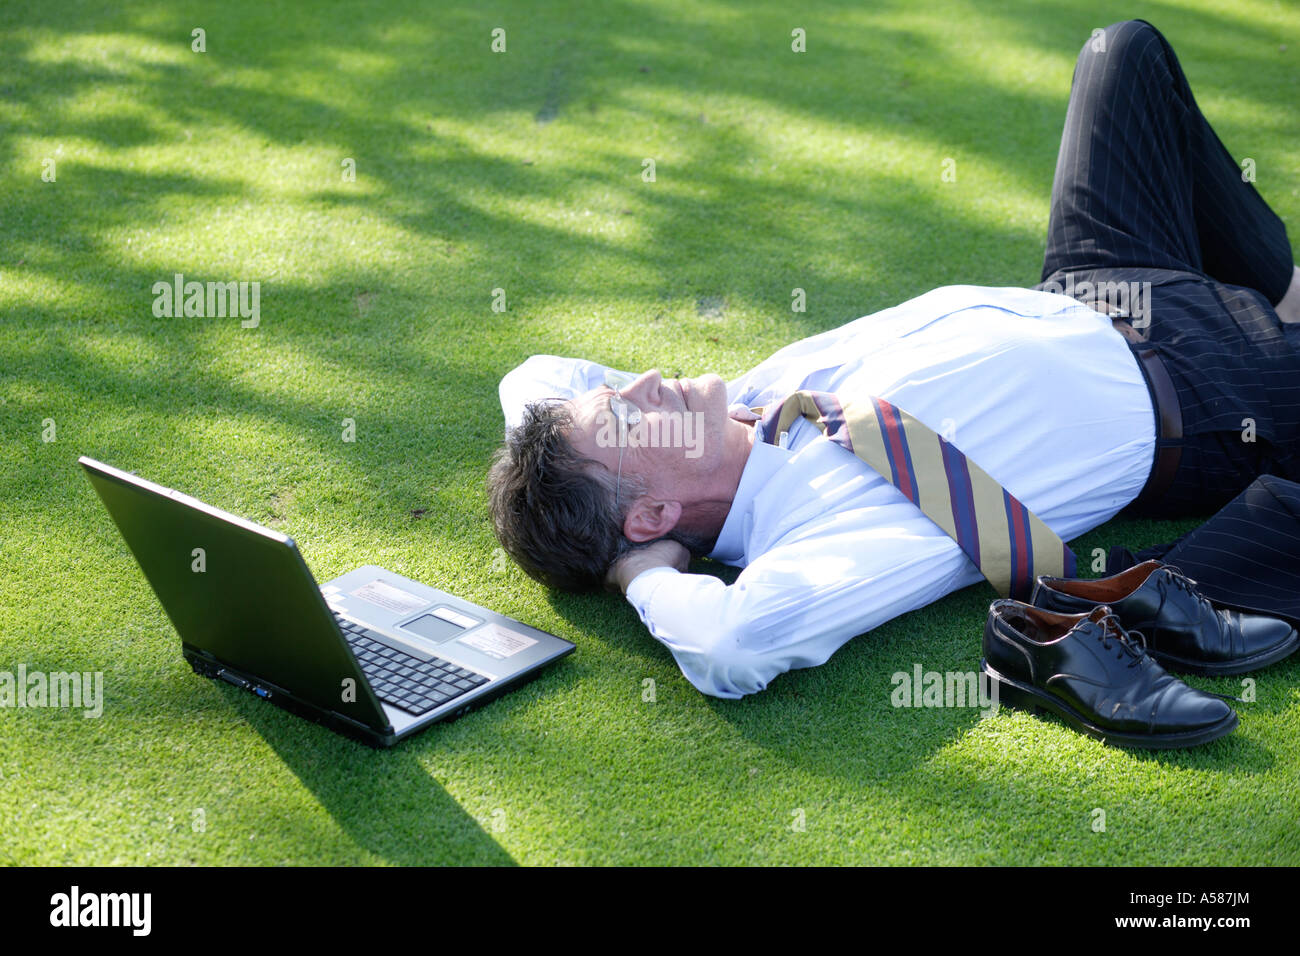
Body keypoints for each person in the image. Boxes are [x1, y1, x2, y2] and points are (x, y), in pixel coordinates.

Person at [488, 19, 1300, 699]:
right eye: (628, 414)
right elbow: (730, 647)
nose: (644, 382)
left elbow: (534, 377)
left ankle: (1280, 290)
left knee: (1120, 52)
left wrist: (593, 490)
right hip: (1212, 398)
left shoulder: (750, 399)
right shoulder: (817, 537)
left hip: (1096, 283)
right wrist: (640, 574)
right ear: (653, 518)